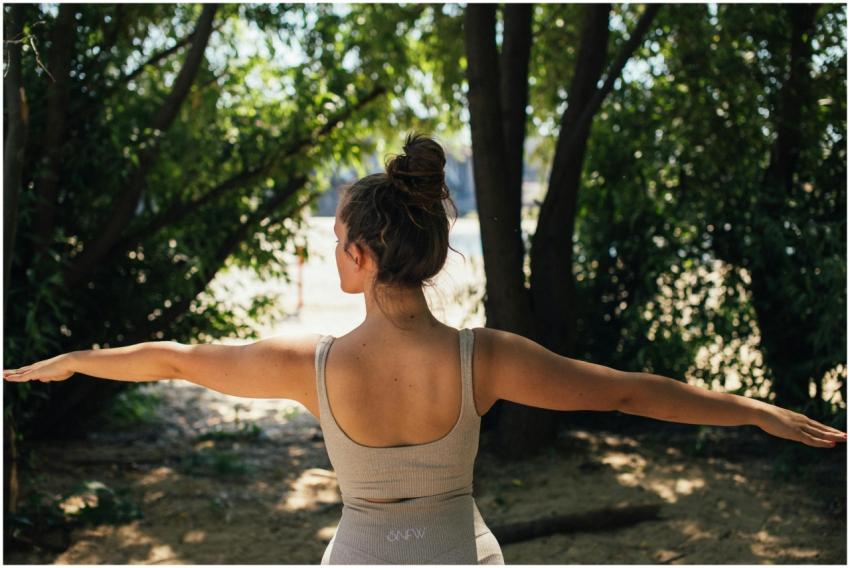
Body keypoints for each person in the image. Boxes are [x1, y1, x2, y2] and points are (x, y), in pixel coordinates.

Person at [4, 132, 846, 564]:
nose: (335, 252)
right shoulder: (488, 359)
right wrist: (753, 411)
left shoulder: (312, 366)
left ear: (363, 256)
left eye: (339, 241)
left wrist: (76, 360)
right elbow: (628, 391)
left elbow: (179, 358)